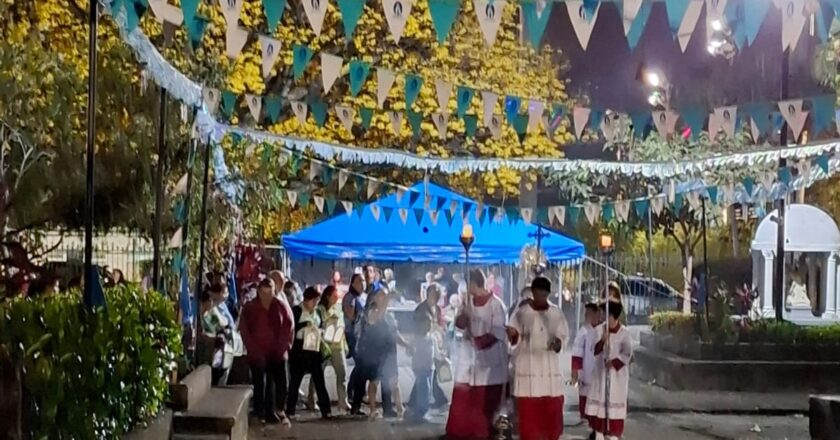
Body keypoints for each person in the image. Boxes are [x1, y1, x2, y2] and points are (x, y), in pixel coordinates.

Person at [445, 269, 509, 440]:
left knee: (485, 402)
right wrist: (464, 314)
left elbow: (498, 332)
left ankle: (485, 431)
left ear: (474, 284)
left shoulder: (496, 305)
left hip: (490, 360)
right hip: (468, 359)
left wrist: (478, 342)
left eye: (468, 284)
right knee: (464, 396)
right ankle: (460, 431)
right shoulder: (468, 303)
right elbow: (459, 324)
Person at [506, 277, 569, 440]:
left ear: (548, 293)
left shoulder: (556, 313)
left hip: (548, 368)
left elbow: (563, 336)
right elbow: (514, 336)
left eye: (544, 293)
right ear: (533, 292)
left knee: (550, 417)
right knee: (530, 418)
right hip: (529, 368)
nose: (541, 296)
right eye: (538, 293)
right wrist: (513, 335)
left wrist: (558, 343)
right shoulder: (522, 313)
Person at [239, 279, 294, 426]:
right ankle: (260, 412)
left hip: (277, 351)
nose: (266, 296)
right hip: (257, 352)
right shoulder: (250, 308)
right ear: (258, 291)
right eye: (263, 293)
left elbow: (288, 328)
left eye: (269, 293)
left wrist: (283, 348)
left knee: (279, 382)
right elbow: (244, 329)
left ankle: (275, 410)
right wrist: (253, 349)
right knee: (260, 383)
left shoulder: (280, 306)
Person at [585, 301, 633, 440]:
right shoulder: (599, 330)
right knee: (599, 405)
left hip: (617, 377)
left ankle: (613, 434)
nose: (602, 316)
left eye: (605, 314)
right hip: (601, 375)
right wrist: (602, 341)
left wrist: (614, 362)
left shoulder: (624, 333)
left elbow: (628, 353)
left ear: (613, 316)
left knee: (614, 408)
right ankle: (599, 432)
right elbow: (593, 350)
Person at [350, 288, 400, 418]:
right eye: (381, 295)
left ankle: (388, 408)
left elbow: (394, 333)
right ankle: (366, 408)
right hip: (369, 352)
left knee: (386, 381)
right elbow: (377, 317)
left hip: (384, 352)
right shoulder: (370, 312)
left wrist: (406, 344)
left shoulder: (388, 315)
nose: (383, 298)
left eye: (385, 295)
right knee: (368, 380)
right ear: (373, 298)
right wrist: (388, 297)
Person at [286, 287, 332, 420]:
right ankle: (290, 410)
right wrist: (304, 325)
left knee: (319, 380)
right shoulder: (297, 311)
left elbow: (321, 325)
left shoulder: (317, 312)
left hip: (314, 347)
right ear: (306, 300)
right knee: (295, 381)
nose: (315, 304)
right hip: (300, 349)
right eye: (313, 301)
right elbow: (292, 329)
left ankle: (326, 410)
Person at [307, 285, 349, 413]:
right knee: (318, 375)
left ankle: (343, 401)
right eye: (334, 295)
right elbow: (316, 325)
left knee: (342, 373)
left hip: (337, 344)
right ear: (328, 296)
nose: (337, 297)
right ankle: (312, 400)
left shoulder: (338, 308)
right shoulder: (320, 310)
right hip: (324, 346)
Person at [412, 283, 449, 409]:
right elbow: (418, 328)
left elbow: (440, 325)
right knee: (425, 374)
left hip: (434, 342)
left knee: (430, 374)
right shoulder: (421, 309)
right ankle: (437, 399)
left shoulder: (437, 309)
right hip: (423, 344)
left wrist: (441, 340)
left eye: (437, 295)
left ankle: (437, 399)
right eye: (433, 294)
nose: (435, 297)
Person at [572, 302, 601, 440]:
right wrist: (575, 370)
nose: (586, 316)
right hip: (586, 370)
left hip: (600, 371)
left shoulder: (602, 329)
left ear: (596, 314)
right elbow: (577, 351)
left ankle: (597, 425)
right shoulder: (583, 330)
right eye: (586, 313)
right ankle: (589, 422)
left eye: (589, 313)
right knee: (585, 397)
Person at [405, 314, 436, 423]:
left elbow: (434, 352)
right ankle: (420, 412)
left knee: (423, 389)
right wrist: (411, 350)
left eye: (430, 323)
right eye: (426, 323)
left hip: (429, 368)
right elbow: (409, 351)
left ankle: (414, 409)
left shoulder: (431, 337)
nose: (428, 325)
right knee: (424, 390)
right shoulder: (417, 338)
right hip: (420, 368)